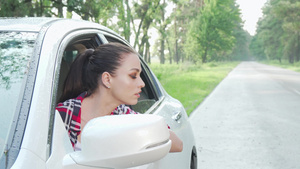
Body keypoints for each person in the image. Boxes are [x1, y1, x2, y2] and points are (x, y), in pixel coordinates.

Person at [56, 42, 183, 152]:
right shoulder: (61, 115)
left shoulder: (123, 114)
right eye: (133, 75)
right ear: (107, 79)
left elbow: (177, 145)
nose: (142, 84)